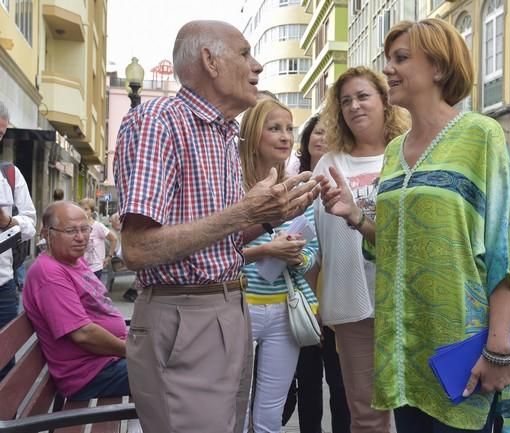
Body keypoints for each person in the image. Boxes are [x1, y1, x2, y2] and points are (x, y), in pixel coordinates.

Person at [113, 20, 319, 433]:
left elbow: (216, 239)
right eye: (244, 54)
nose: (256, 65)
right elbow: (136, 249)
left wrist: (266, 217)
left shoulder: (224, 134)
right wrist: (245, 213)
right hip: (184, 313)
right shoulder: (158, 121)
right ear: (209, 60)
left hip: (227, 307)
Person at [320, 18, 510, 432]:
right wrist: (357, 218)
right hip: (402, 348)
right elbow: (392, 244)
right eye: (388, 58)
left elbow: (502, 248)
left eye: (401, 58)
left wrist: (500, 347)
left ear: (440, 68)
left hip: (461, 346)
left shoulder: (481, 134)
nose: (389, 68)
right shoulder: (395, 151)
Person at [312, 66, 409, 433]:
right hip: (353, 306)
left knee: (417, 408)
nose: (354, 106)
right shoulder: (330, 163)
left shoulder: (408, 152)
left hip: (407, 301)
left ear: (385, 101)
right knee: (367, 415)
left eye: (363, 96)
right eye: (346, 100)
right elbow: (316, 241)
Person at [238, 99, 319, 433]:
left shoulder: (298, 188)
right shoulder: (233, 185)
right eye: (274, 128)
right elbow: (215, 250)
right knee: (235, 410)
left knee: (270, 415)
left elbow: (313, 252)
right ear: (254, 135)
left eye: (289, 129)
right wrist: (266, 249)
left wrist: (297, 256)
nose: (285, 137)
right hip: (238, 309)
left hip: (286, 310)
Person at [282, 114, 351, 433]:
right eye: (317, 133)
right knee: (307, 383)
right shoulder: (293, 186)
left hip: (341, 299)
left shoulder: (345, 185)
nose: (322, 138)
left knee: (342, 387)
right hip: (302, 301)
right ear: (307, 140)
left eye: (329, 133)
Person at [22, 201, 129, 400]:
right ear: (47, 233)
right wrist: (134, 351)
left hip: (107, 360)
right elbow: (83, 334)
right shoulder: (49, 273)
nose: (81, 238)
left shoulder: (74, 261)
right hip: (92, 374)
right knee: (180, 372)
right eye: (71, 230)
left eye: (84, 229)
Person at [0, 100, 37, 381]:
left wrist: (9, 222)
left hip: (3, 286)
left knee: (4, 363)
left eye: (0, 134)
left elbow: (30, 224)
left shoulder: (9, 175)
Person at [79, 198, 117, 282]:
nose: (83, 211)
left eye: (86, 209)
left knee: (93, 292)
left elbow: (113, 239)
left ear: (91, 211)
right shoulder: (78, 226)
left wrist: (109, 256)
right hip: (81, 266)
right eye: (81, 209)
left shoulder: (98, 226)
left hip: (95, 267)